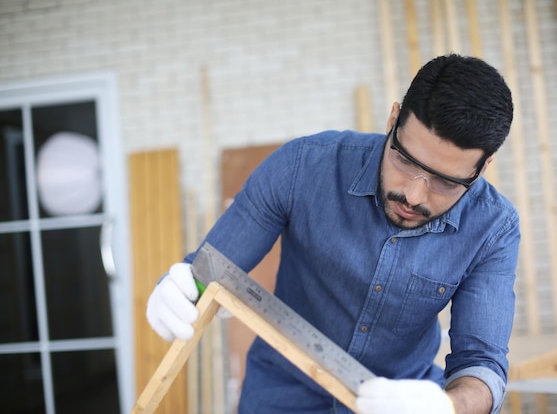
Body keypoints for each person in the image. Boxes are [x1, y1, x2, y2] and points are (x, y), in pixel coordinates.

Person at [146, 53, 520, 414]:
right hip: (279, 397)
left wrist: (447, 405)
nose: (413, 195)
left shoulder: (493, 228)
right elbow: (208, 272)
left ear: (483, 167)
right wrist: (178, 289)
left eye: (446, 182)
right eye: (406, 161)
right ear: (392, 120)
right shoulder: (301, 167)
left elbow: (482, 364)